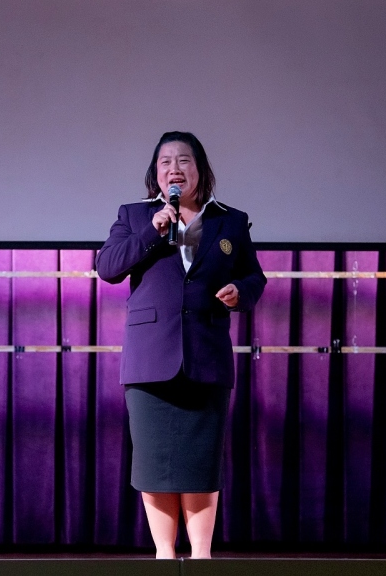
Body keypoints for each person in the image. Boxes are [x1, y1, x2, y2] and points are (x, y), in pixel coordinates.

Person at [96, 131, 266, 559]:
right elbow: (108, 267)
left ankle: (202, 556)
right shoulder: (136, 215)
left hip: (206, 354)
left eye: (184, 161)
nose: (175, 169)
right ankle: (164, 555)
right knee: (154, 461)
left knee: (201, 461)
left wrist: (240, 293)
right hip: (150, 357)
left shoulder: (230, 220)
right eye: (166, 162)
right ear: (156, 173)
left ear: (200, 169)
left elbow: (253, 276)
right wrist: (153, 231)